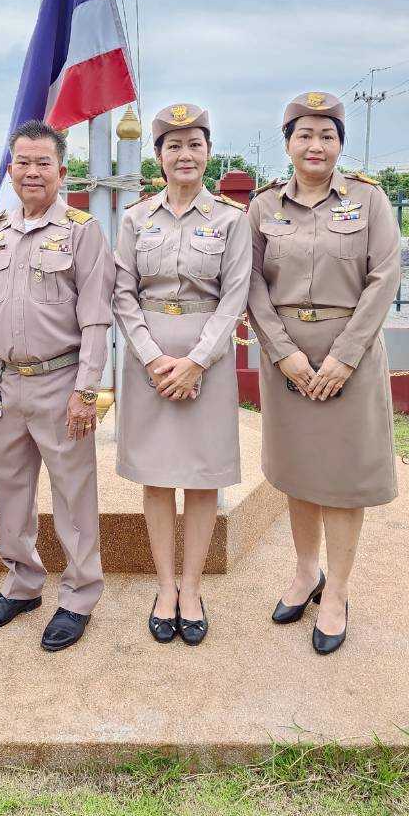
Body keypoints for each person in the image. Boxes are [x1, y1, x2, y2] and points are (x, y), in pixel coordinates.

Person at [246, 92, 401, 655]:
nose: (316, 145)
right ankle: (305, 571)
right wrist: (283, 352)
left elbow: (384, 277)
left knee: (342, 478)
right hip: (286, 356)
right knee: (298, 471)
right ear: (288, 143)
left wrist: (344, 357)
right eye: (305, 135)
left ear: (340, 144)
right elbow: (250, 282)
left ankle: (336, 592)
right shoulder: (263, 207)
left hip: (348, 357)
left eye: (327, 135)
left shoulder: (369, 200)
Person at [0, 119, 116, 653]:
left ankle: (79, 595)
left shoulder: (82, 231)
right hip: (7, 385)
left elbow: (96, 317)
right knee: (10, 489)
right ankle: (23, 583)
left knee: (73, 493)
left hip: (61, 382)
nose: (32, 172)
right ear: (11, 170)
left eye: (42, 163)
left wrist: (86, 389)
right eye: (23, 162)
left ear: (62, 170)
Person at [113, 103, 252, 645]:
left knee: (201, 477)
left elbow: (235, 297)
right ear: (159, 155)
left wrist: (195, 362)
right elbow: (123, 294)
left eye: (195, 144)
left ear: (209, 152)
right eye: (174, 146)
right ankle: (165, 585)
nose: (185, 155)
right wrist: (153, 359)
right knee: (156, 476)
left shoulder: (231, 220)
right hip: (148, 358)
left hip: (206, 361)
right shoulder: (135, 219)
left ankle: (191, 587)